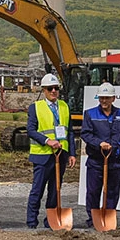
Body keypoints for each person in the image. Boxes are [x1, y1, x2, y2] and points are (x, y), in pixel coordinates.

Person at [26, 73, 77, 229]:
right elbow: (30, 130)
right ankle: (31, 222)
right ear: (44, 90)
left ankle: (51, 221)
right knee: (38, 190)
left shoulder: (64, 106)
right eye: (50, 88)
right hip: (42, 155)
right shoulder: (36, 107)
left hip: (61, 155)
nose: (54, 91)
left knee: (56, 189)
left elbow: (69, 132)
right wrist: (47, 141)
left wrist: (72, 153)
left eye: (56, 88)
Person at [80, 83, 120, 227]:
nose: (104, 101)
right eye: (102, 98)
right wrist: (99, 143)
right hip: (96, 161)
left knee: (113, 192)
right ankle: (93, 219)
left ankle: (108, 218)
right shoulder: (90, 114)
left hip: (115, 161)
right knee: (93, 192)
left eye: (107, 98)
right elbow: (85, 134)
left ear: (113, 98)